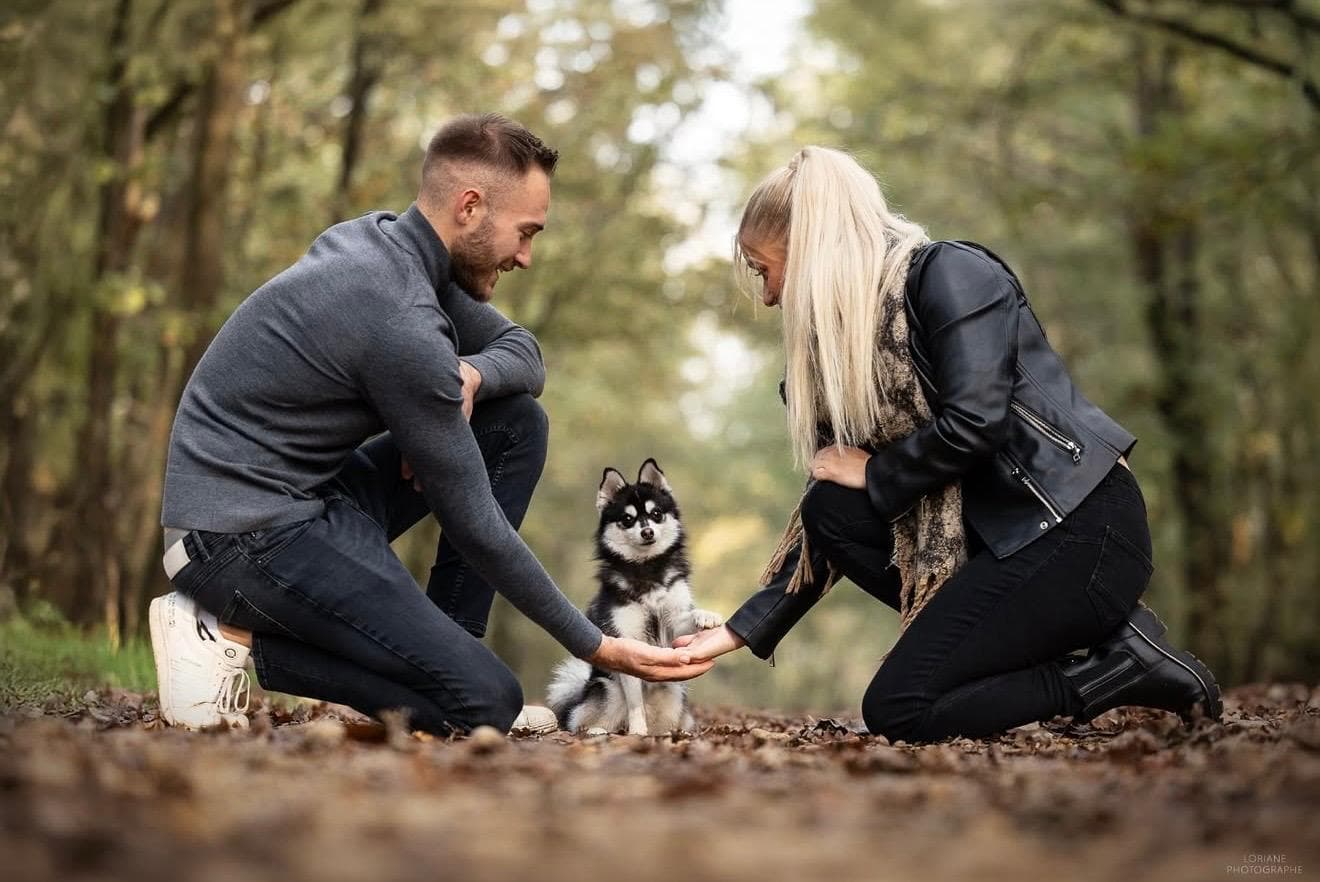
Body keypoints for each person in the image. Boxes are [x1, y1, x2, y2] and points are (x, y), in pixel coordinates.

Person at [150, 113, 711, 734]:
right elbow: (476, 524)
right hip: (235, 537)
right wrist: (598, 646)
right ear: (470, 206)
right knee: (483, 705)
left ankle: (453, 646)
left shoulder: (388, 246)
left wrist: (469, 375)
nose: (526, 257)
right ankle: (226, 633)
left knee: (516, 422)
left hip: (301, 500)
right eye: (524, 233)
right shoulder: (399, 317)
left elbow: (525, 354)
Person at [675, 146, 1221, 743]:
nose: (769, 295)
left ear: (808, 249)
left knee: (901, 708)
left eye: (764, 269)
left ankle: (1109, 671)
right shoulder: (841, 360)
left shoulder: (953, 274)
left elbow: (977, 421)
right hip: (997, 545)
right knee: (831, 508)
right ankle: (1095, 643)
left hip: (1077, 530)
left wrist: (878, 476)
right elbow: (832, 499)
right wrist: (741, 628)